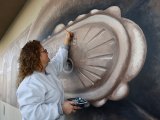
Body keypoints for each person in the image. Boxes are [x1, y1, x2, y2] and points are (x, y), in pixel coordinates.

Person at [16, 31, 80, 120]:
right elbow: (32, 114)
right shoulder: (28, 85)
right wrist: (61, 108)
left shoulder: (48, 69)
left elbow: (59, 59)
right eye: (44, 51)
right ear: (36, 57)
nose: (47, 52)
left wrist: (66, 42)